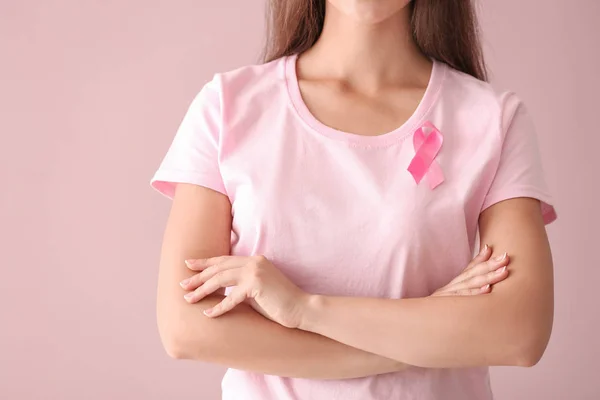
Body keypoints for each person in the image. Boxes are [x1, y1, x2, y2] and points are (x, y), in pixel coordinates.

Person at [150, 1, 557, 399]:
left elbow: (518, 332)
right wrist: (422, 338)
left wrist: (305, 309)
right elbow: (187, 327)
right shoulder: (227, 107)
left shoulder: (493, 119)